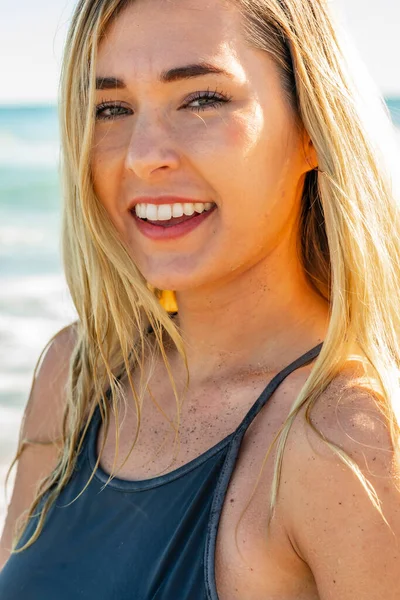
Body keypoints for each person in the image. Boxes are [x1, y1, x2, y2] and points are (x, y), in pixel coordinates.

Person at [1, 0, 400, 598]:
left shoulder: (347, 440)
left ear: (312, 128)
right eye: (111, 108)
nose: (141, 154)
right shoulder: (79, 375)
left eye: (203, 100)